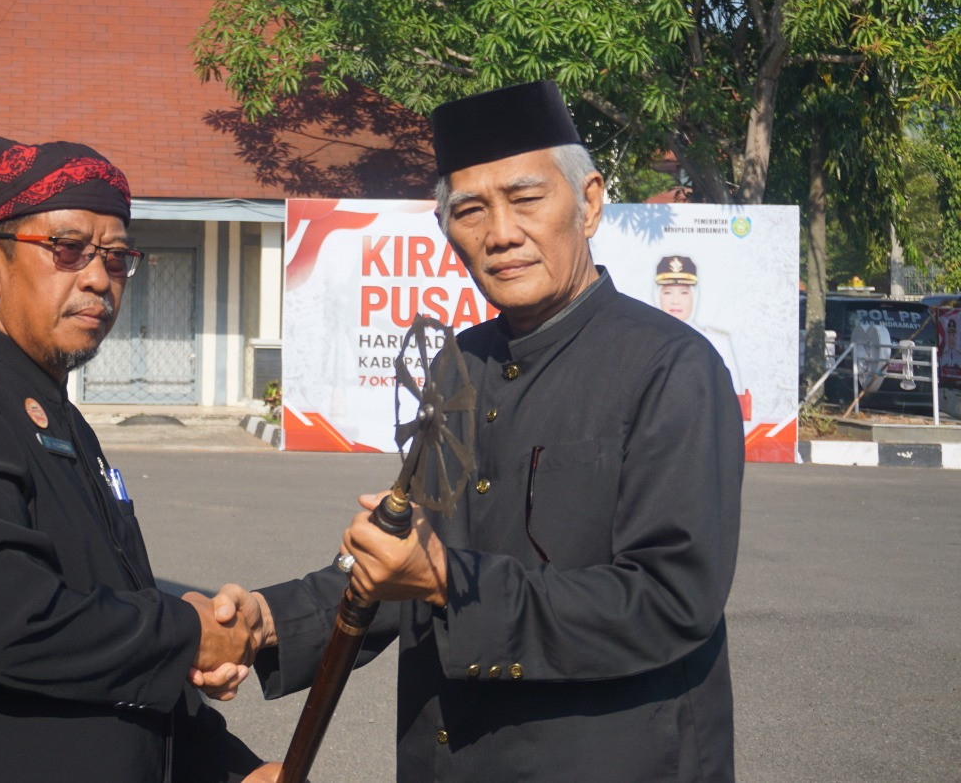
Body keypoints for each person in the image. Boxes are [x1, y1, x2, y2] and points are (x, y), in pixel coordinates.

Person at [203, 81, 745, 781]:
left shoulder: (670, 368)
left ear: (589, 203)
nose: (500, 234)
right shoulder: (459, 366)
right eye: (469, 210)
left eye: (525, 199)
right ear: (445, 229)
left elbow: (670, 601)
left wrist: (446, 578)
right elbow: (409, 557)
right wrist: (263, 623)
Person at [0, 137, 273, 782]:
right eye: (68, 248)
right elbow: (13, 621)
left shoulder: (61, 414)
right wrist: (189, 633)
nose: (99, 277)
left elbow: (117, 614)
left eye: (116, 256)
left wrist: (233, 768)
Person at [654, 254, 744, 405]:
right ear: (658, 296)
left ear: (695, 296)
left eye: (684, 292)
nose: (675, 301)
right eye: (668, 292)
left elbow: (734, 400)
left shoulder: (718, 342)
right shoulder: (645, 341)